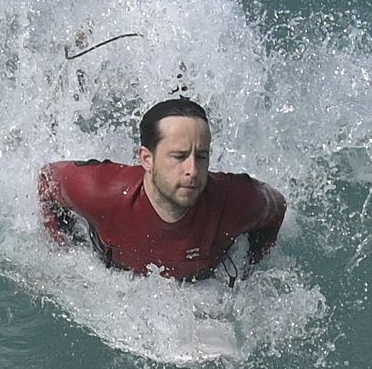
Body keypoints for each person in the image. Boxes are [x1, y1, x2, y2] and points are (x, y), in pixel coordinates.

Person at [37, 96, 285, 282]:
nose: (193, 170)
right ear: (147, 159)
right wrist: (63, 249)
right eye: (178, 156)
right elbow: (47, 179)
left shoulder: (234, 201)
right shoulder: (102, 192)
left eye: (201, 156)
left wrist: (248, 269)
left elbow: (277, 208)